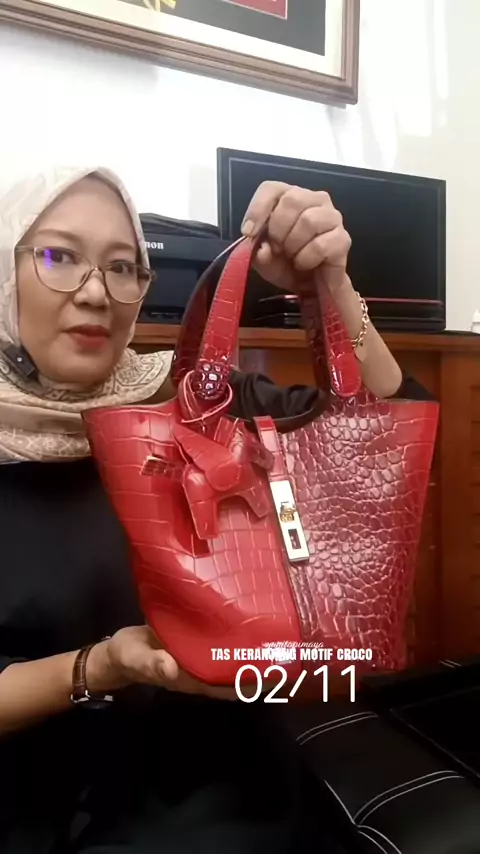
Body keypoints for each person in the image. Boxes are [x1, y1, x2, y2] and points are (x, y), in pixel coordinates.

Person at [0, 166, 429, 853]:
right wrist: (100, 667)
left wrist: (332, 285)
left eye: (123, 266)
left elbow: (382, 423)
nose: (96, 292)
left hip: (233, 798)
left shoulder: (203, 403)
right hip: (44, 807)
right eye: (59, 256)